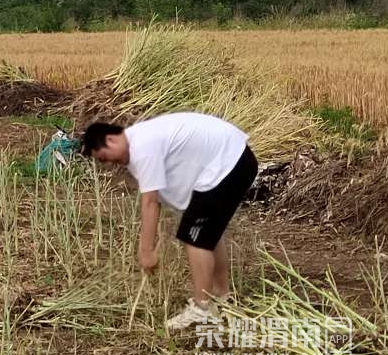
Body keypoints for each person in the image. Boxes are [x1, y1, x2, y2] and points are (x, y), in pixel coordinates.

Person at [81, 112, 258, 330]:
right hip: (235, 159)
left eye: (104, 158)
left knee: (194, 237)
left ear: (110, 139)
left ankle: (202, 308)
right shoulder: (140, 140)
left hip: (229, 163)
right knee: (205, 234)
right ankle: (222, 296)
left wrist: (146, 250)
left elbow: (150, 202)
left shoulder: (142, 146)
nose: (109, 164)